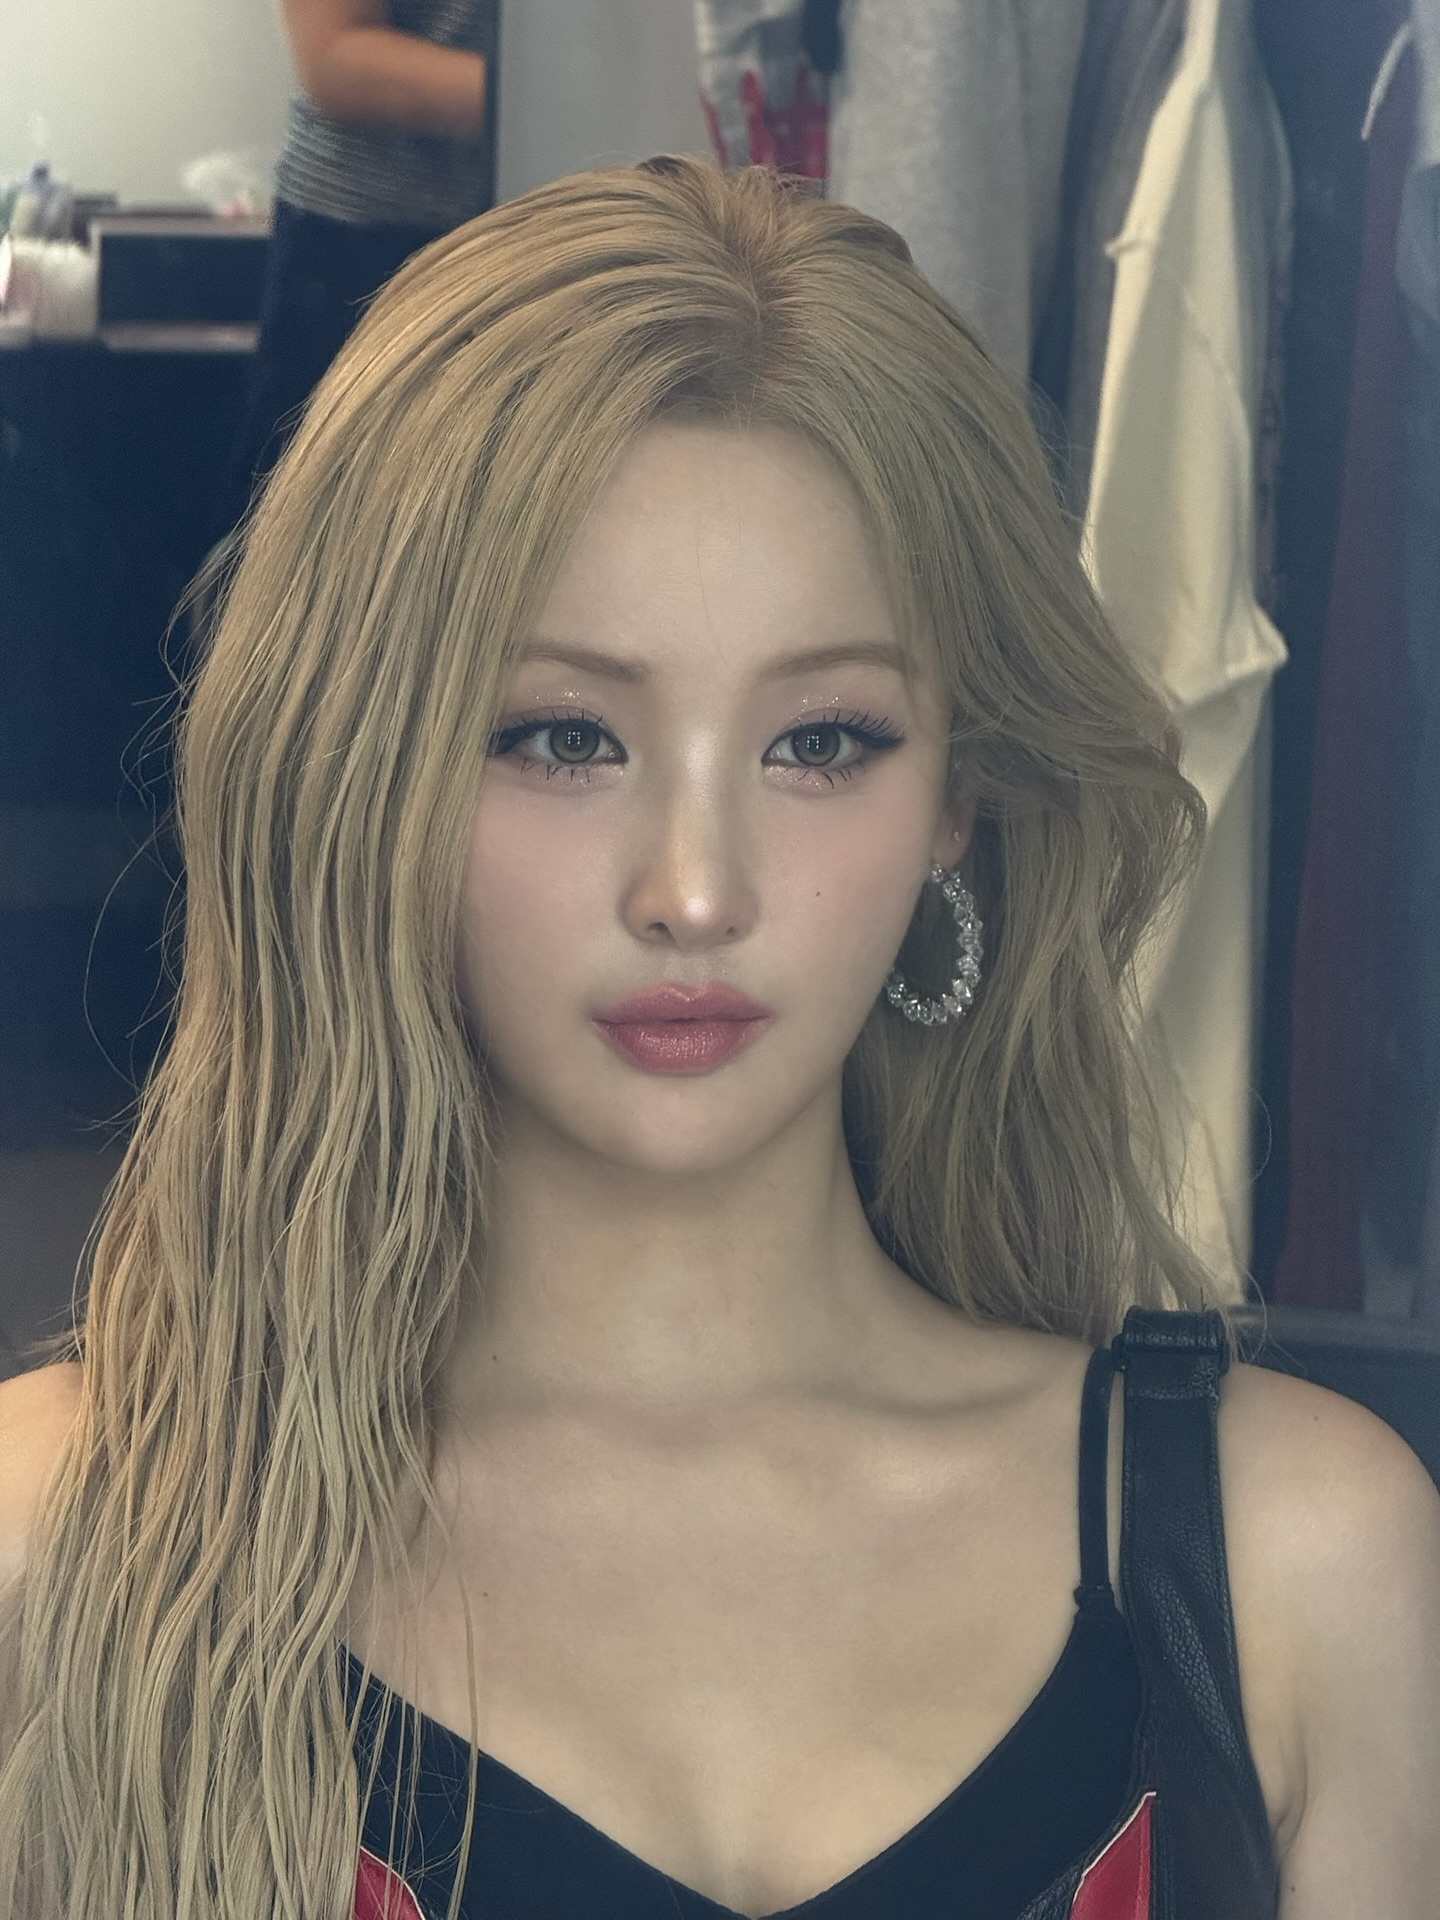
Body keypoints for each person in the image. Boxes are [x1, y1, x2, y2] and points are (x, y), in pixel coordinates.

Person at [2, 156, 1438, 1920]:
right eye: (561, 736)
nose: (694, 891)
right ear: (369, 779)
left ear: (960, 796)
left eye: (823, 741)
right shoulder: (61, 1553)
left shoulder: (1297, 1564)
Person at [219, 0, 494, 535]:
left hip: (539, 216)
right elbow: (336, 58)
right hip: (367, 240)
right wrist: (556, 100)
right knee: (308, 548)